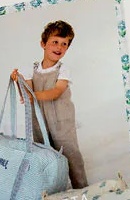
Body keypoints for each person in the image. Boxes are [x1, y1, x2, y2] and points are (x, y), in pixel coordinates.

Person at [11, 19, 89, 189]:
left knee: (70, 153)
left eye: (64, 44)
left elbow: (56, 91)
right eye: (55, 42)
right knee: (45, 156)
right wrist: (18, 80)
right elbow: (26, 95)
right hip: (39, 122)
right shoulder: (31, 69)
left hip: (61, 120)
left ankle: (81, 186)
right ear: (43, 44)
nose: (59, 47)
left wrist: (33, 96)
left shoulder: (63, 70)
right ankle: (53, 190)